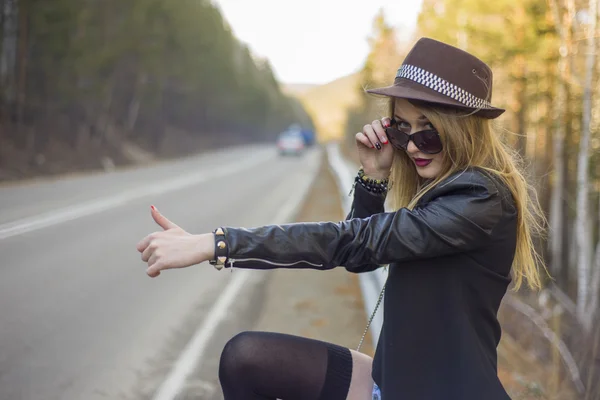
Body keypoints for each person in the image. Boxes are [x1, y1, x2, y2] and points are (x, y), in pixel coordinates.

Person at [136, 37, 546, 400]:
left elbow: (354, 241)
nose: (414, 145)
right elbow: (362, 257)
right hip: (391, 381)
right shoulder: (443, 189)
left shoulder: (482, 196)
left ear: (463, 131)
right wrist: (373, 178)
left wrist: (217, 243)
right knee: (244, 358)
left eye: (429, 131)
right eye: (402, 130)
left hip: (444, 390)